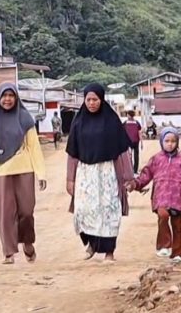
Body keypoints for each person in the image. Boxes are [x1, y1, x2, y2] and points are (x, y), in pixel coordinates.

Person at [0, 82, 47, 265]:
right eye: (4, 96)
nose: (7, 99)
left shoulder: (25, 119)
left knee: (26, 211)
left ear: (16, 98)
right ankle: (8, 252)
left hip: (24, 169)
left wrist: (41, 173)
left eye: (11, 96)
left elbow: (34, 147)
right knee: (5, 213)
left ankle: (27, 242)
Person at [66, 83, 134, 262]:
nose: (91, 103)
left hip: (107, 172)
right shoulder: (78, 121)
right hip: (85, 173)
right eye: (88, 99)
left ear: (102, 99)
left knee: (108, 211)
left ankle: (109, 251)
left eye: (95, 99)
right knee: (83, 210)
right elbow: (72, 152)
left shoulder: (111, 121)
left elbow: (122, 151)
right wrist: (70, 179)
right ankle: (92, 244)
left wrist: (128, 177)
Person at [126, 126, 181, 264]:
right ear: (161, 142)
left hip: (177, 198)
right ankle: (164, 246)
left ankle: (177, 253)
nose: (170, 144)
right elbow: (145, 176)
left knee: (177, 226)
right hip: (160, 198)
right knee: (163, 216)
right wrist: (134, 185)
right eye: (167, 141)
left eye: (173, 141)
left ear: (177, 142)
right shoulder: (156, 159)